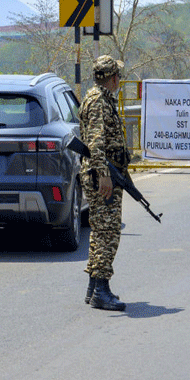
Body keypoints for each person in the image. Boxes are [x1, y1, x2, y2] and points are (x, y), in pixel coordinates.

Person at [79, 55, 128, 311]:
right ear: (111, 78)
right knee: (108, 233)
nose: (119, 79)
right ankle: (101, 289)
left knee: (100, 231)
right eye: (117, 75)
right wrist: (105, 175)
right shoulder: (99, 100)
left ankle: (93, 286)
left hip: (101, 172)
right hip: (102, 174)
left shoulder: (95, 97)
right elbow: (96, 141)